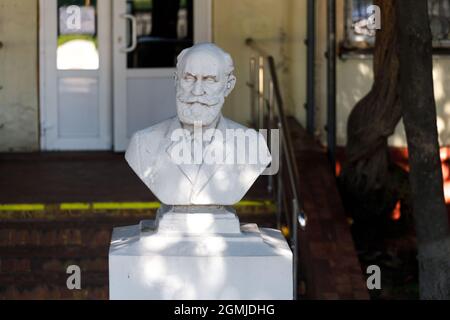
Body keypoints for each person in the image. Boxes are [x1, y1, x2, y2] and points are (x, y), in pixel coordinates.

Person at [125, 43, 271, 205]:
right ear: (176, 81)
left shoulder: (253, 145)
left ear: (228, 86)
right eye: (188, 78)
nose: (196, 91)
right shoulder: (142, 144)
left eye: (209, 80)